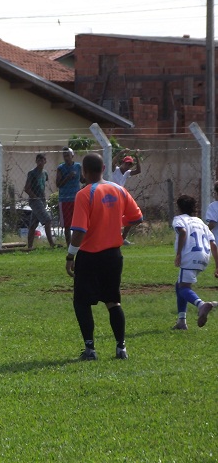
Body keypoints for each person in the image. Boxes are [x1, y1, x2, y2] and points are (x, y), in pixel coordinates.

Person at [65, 153, 143, 361]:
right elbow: (137, 217)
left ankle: (90, 349)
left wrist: (70, 256)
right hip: (113, 255)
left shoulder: (84, 194)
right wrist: (119, 224)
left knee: (81, 302)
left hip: (90, 256)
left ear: (85, 172)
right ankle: (121, 348)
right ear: (103, 168)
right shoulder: (118, 189)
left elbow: (79, 230)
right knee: (113, 301)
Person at [171, 195, 218, 330]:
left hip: (189, 256)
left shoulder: (179, 219)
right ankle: (181, 321)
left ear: (179, 208)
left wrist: (179, 253)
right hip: (204, 257)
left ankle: (201, 304)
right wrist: (217, 265)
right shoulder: (200, 222)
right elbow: (213, 244)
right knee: (179, 284)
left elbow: (183, 232)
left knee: (183, 287)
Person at [23, 153, 57, 249]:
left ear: (45, 161)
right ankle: (51, 244)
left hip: (42, 200)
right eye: (38, 160)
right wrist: (35, 197)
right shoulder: (32, 173)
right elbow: (27, 188)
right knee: (47, 220)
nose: (40, 162)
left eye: (42, 160)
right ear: (36, 161)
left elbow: (43, 185)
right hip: (35, 200)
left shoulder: (45, 173)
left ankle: (29, 247)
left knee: (33, 224)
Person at [111, 149, 142, 245]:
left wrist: (136, 156)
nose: (127, 166)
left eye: (130, 164)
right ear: (123, 163)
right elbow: (112, 162)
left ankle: (122, 238)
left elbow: (138, 171)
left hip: (121, 198)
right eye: (126, 163)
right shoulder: (115, 170)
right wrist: (121, 153)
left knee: (131, 217)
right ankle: (115, 238)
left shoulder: (127, 173)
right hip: (111, 197)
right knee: (114, 219)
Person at [55, 147, 82, 247]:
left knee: (78, 223)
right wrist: (68, 177)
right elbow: (58, 184)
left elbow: (82, 179)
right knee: (67, 224)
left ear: (72, 155)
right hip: (65, 199)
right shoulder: (61, 168)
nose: (66, 157)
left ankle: (77, 243)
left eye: (68, 155)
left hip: (77, 199)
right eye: (64, 155)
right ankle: (68, 244)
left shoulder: (78, 166)